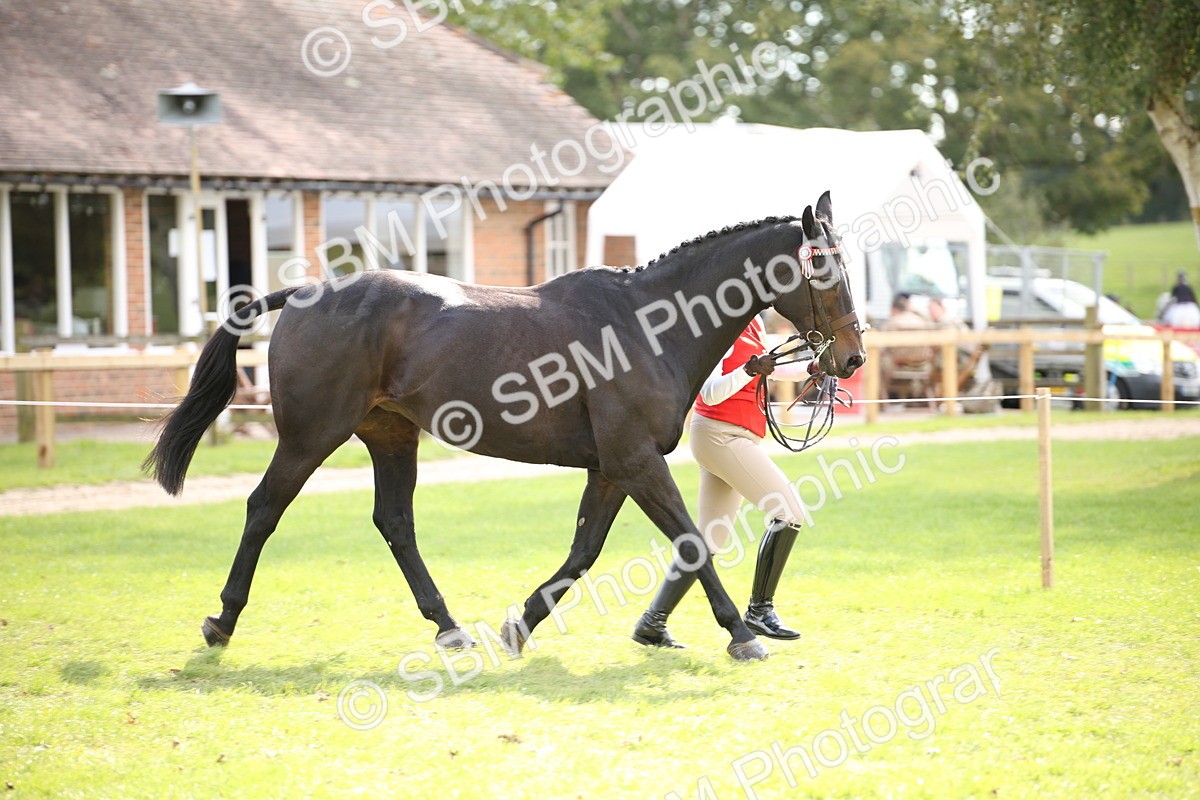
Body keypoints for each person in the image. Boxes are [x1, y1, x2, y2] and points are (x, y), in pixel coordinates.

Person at [632, 314, 816, 648]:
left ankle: (652, 624)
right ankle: (760, 610)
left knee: (709, 539)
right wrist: (749, 370)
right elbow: (710, 393)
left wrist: (814, 368)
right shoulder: (717, 324)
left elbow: (772, 367)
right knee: (789, 513)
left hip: (732, 435)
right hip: (721, 433)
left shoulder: (753, 322)